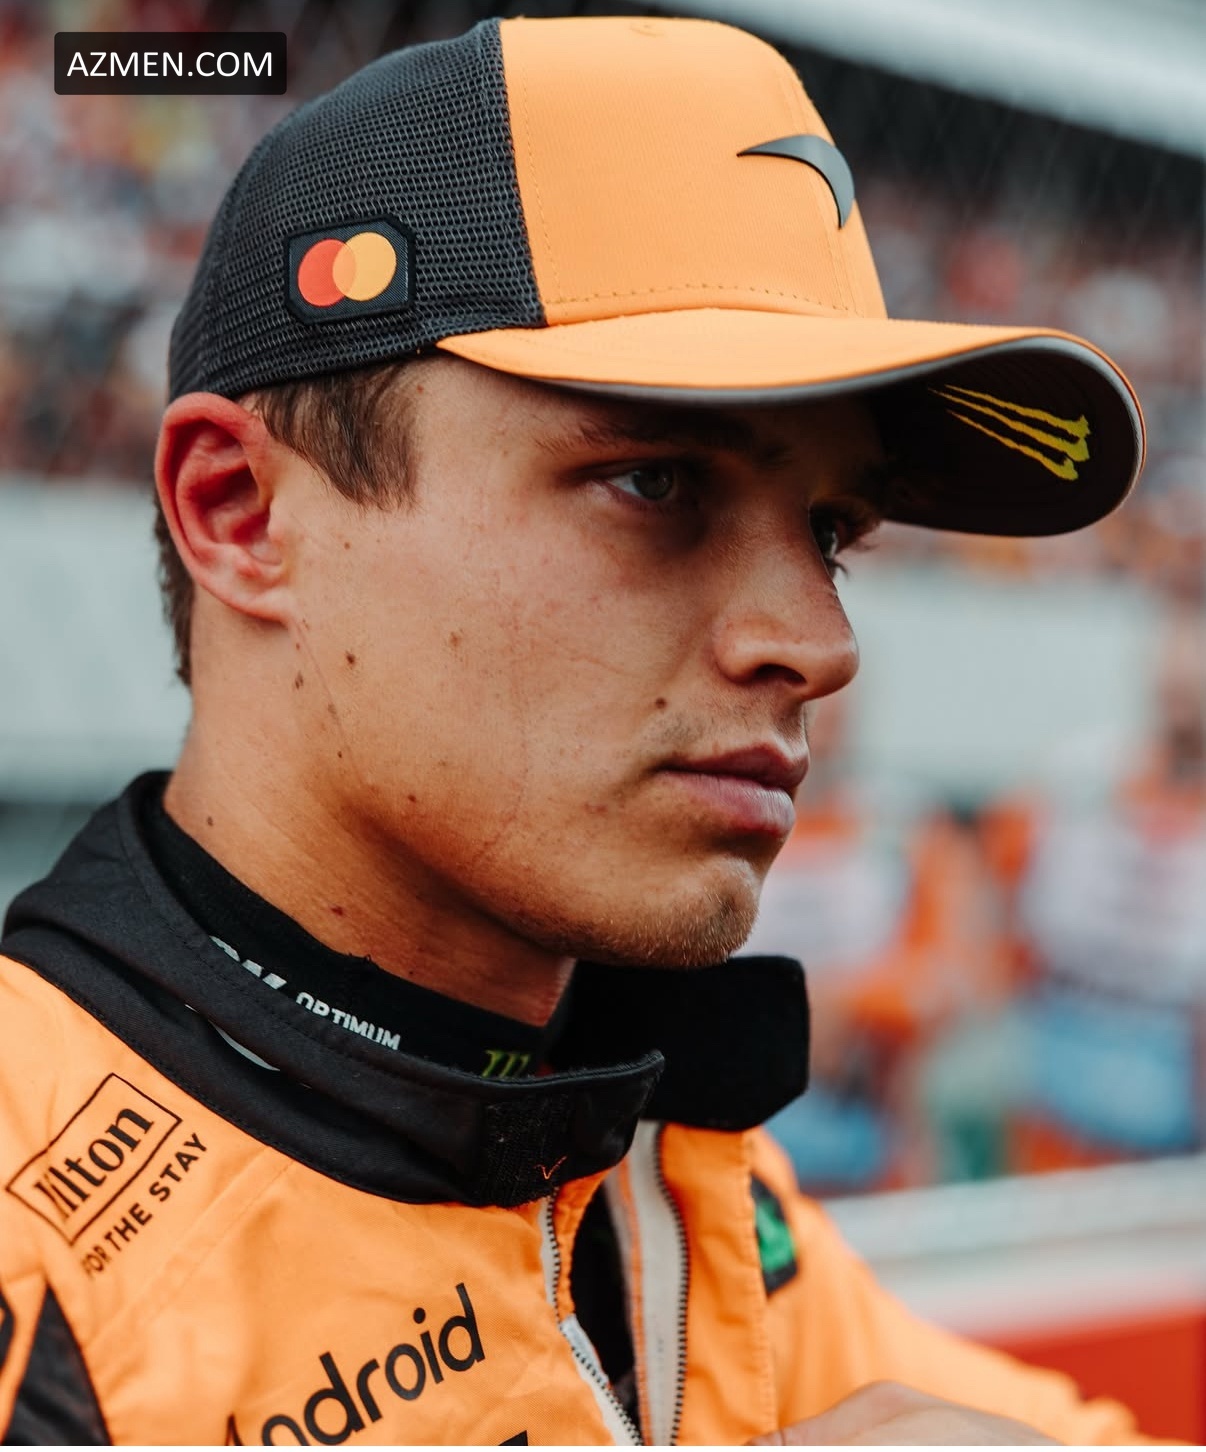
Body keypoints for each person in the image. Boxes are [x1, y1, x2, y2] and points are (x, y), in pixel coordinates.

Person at [0, 15, 1148, 1446]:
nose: (819, 645)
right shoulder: (42, 1263)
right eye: (656, 483)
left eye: (828, 532)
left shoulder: (649, 1147)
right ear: (243, 515)